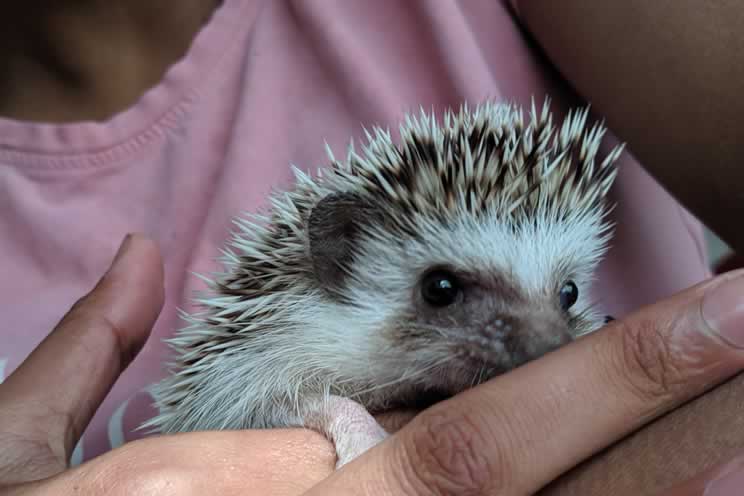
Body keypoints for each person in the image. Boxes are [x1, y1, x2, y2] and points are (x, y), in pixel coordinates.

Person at [0, 1, 742, 494]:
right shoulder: (279, 357)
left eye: (568, 297)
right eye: (444, 292)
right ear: (342, 257)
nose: (545, 336)